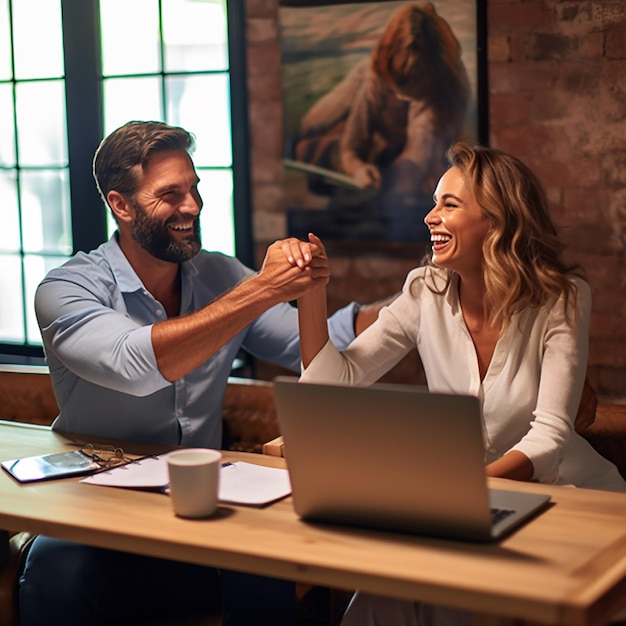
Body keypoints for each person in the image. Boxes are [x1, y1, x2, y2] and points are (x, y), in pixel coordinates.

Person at [20, 120, 385, 626]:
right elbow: (139, 365)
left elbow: (322, 341)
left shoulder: (221, 274)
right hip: (95, 513)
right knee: (57, 570)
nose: (192, 206)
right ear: (121, 205)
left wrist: (426, 294)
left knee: (269, 562)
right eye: (170, 194)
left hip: (202, 512)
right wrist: (263, 288)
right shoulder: (65, 290)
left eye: (194, 188)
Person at [282, 142, 626, 626]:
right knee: (380, 599)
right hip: (464, 505)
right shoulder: (424, 290)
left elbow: (549, 439)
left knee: (456, 598)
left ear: (498, 220)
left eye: (449, 204)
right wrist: (313, 291)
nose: (430, 217)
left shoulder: (563, 298)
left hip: (566, 497)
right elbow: (330, 385)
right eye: (433, 202)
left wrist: (447, 496)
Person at [293, 2, 470, 240]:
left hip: (410, 149)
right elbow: (350, 145)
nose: (401, 97)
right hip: (371, 104)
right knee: (314, 124)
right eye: (398, 90)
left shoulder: (444, 90)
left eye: (409, 91)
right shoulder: (375, 77)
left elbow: (416, 157)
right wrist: (358, 169)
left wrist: (389, 188)